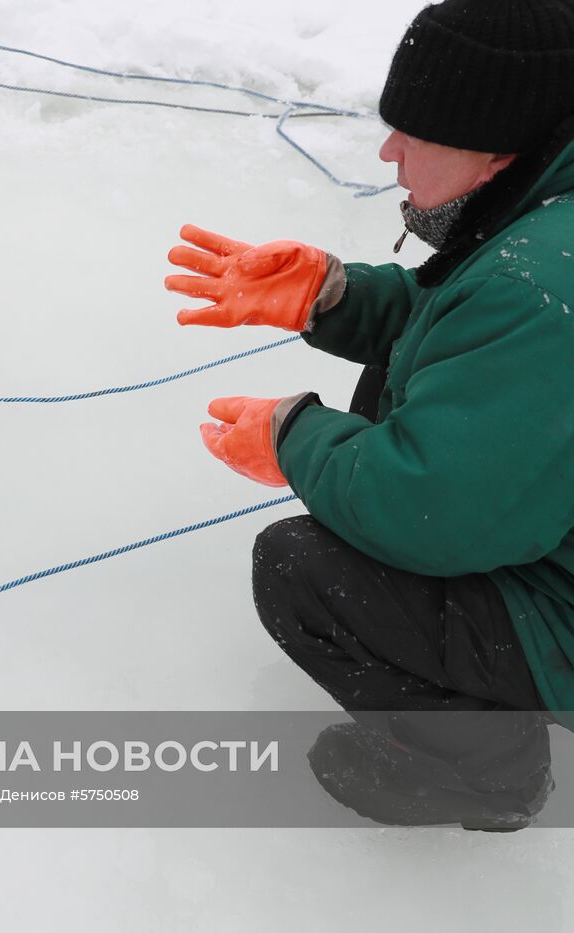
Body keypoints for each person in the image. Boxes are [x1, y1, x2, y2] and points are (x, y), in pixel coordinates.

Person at [164, 0, 574, 829]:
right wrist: (330, 295)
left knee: (301, 569)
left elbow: (433, 515)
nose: (387, 151)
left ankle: (485, 776)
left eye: (414, 133)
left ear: (494, 146)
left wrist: (292, 436)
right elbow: (471, 328)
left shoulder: (537, 289)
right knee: (393, 385)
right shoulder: (544, 222)